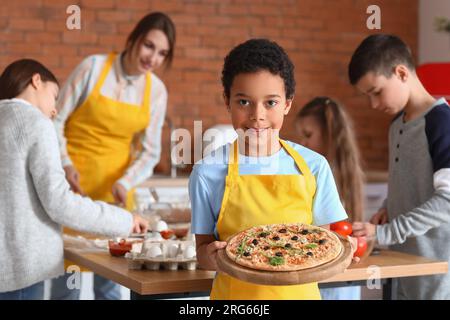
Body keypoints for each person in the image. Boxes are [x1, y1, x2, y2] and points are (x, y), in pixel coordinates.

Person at [189, 39, 357, 300]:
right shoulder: (206, 173)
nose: (257, 115)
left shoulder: (314, 166)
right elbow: (201, 251)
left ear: (288, 103)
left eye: (271, 103)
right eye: (244, 102)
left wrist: (343, 252)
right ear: (227, 100)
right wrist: (212, 258)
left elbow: (323, 244)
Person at [51, 12, 176, 300]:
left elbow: (150, 151)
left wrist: (126, 181)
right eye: (148, 46)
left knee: (111, 284)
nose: (153, 58)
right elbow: (55, 120)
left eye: (162, 53)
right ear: (133, 39)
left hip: (115, 196)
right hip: (72, 191)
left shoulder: (156, 91)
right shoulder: (93, 68)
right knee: (67, 283)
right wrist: (65, 165)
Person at [0, 59, 148, 300]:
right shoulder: (37, 122)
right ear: (36, 81)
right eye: (54, 95)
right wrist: (125, 221)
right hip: (19, 270)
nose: (55, 109)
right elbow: (59, 203)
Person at [349, 34, 450, 299]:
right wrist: (387, 207)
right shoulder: (396, 125)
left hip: (435, 275)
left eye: (377, 92)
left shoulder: (442, 124)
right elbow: (411, 182)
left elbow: (448, 201)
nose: (373, 104)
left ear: (402, 73)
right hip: (398, 268)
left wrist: (385, 232)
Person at [296, 97, 365, 300]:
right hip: (341, 271)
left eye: (308, 135)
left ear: (329, 134)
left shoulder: (320, 174)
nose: (303, 143)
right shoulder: (348, 172)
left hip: (327, 271)